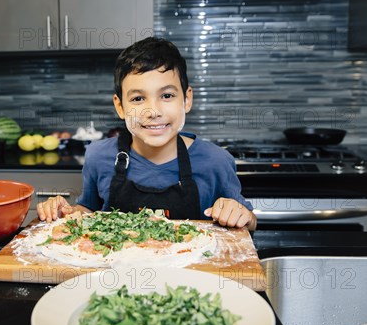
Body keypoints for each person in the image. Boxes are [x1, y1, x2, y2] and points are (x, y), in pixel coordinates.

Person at [37, 37, 257, 230]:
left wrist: (240, 215)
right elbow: (87, 210)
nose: (153, 112)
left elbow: (250, 222)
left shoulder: (215, 161)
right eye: (138, 99)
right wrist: (67, 213)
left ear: (187, 99)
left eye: (167, 96)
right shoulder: (98, 156)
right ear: (120, 106)